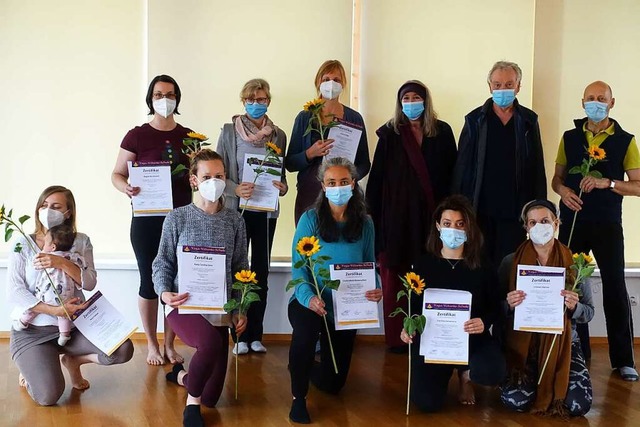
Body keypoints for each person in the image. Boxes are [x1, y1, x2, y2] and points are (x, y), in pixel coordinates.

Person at [6, 186, 134, 406]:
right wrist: (54, 311)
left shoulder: (81, 241)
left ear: (68, 212)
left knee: (123, 349)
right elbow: (15, 292)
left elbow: (90, 283)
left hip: (75, 329)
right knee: (48, 397)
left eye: (56, 206)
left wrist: (61, 262)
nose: (48, 211)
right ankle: (31, 370)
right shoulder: (21, 244)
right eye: (44, 206)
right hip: (32, 332)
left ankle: (73, 360)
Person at [152, 149, 249, 427]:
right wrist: (163, 292)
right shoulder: (177, 218)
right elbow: (162, 263)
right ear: (194, 180)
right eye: (207, 176)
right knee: (208, 345)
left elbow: (242, 268)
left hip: (219, 306)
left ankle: (181, 377)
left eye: (219, 176)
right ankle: (190, 407)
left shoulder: (235, 221)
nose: (214, 181)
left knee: (211, 396)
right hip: (182, 304)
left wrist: (241, 308)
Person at [551, 80, 640, 381]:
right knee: (568, 284)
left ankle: (624, 360)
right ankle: (577, 350)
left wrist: (609, 183)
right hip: (573, 220)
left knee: (615, 287)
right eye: (591, 98)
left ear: (612, 103)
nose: (596, 102)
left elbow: (638, 186)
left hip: (607, 224)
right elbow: (557, 180)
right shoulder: (570, 137)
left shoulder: (626, 141)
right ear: (582, 102)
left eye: (602, 98)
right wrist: (563, 192)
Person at [288, 157, 382, 424]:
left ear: (353, 184)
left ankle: (301, 367)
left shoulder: (365, 223)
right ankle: (298, 398)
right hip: (309, 302)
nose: (338, 187)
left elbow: (369, 264)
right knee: (305, 335)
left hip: (346, 308)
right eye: (332, 182)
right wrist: (309, 298)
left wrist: (375, 288)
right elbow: (299, 269)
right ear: (323, 185)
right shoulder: (310, 219)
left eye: (343, 182)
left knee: (333, 383)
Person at [366, 80, 457, 350]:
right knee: (396, 278)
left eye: (417, 97)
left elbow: (453, 175)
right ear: (399, 103)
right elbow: (377, 180)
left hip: (432, 219)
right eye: (406, 98)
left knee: (430, 276)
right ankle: (398, 340)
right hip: (397, 220)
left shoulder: (442, 132)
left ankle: (429, 339)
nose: (411, 103)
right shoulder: (390, 134)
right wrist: (374, 221)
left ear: (426, 101)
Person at [112, 74, 193, 366]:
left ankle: (171, 343)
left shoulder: (190, 137)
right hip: (146, 221)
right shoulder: (136, 135)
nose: (165, 100)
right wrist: (127, 188)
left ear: (178, 99)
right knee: (149, 281)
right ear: (150, 99)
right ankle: (151, 344)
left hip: (182, 219)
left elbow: (199, 174)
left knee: (175, 280)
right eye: (159, 95)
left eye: (170, 94)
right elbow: (116, 174)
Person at [400, 195, 505, 412]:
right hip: (435, 343)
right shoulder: (422, 265)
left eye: (460, 224)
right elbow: (413, 306)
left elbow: (496, 305)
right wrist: (407, 328)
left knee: (492, 371)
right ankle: (445, 373)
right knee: (426, 403)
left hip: (472, 340)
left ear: (469, 227)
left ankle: (465, 375)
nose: (453, 230)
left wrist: (484, 322)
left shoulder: (483, 266)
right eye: (447, 224)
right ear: (438, 226)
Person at [500, 199, 593, 416]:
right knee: (515, 400)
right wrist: (510, 305)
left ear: (556, 223)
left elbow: (589, 312)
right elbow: (497, 309)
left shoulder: (577, 263)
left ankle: (554, 390)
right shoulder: (510, 262)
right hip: (525, 345)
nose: (539, 226)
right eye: (533, 222)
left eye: (545, 220)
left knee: (579, 404)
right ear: (526, 227)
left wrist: (575, 307)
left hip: (564, 346)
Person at [217, 78, 288, 355]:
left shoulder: (278, 134)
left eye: (262, 99)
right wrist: (236, 188)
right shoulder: (228, 131)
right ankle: (238, 335)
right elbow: (220, 172)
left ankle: (256, 334)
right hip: (238, 211)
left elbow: (280, 175)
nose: (256, 104)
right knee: (238, 272)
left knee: (261, 271)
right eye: (251, 99)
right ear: (243, 101)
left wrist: (283, 187)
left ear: (269, 100)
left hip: (266, 213)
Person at [452, 61, 546, 268]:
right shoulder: (474, 120)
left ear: (518, 86)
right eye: (497, 84)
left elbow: (537, 167)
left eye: (509, 84)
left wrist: (540, 207)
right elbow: (462, 168)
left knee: (510, 267)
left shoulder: (529, 121)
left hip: (516, 212)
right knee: (480, 265)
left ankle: (507, 302)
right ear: (490, 87)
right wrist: (458, 209)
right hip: (480, 210)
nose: (503, 89)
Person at [286, 59, 371, 224]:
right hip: (309, 195)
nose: (331, 84)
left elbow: (364, 163)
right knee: (310, 244)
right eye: (326, 79)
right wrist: (310, 153)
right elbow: (290, 163)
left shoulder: (354, 118)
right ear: (318, 83)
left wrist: (348, 180)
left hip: (344, 198)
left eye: (336, 80)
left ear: (343, 84)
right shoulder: (305, 117)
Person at [14, 224, 84, 347]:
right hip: (64, 298)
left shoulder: (44, 256)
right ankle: (64, 335)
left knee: (32, 310)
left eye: (45, 243)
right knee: (64, 316)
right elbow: (81, 265)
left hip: (44, 294)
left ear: (52, 247)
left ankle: (22, 322)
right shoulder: (72, 256)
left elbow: (35, 266)